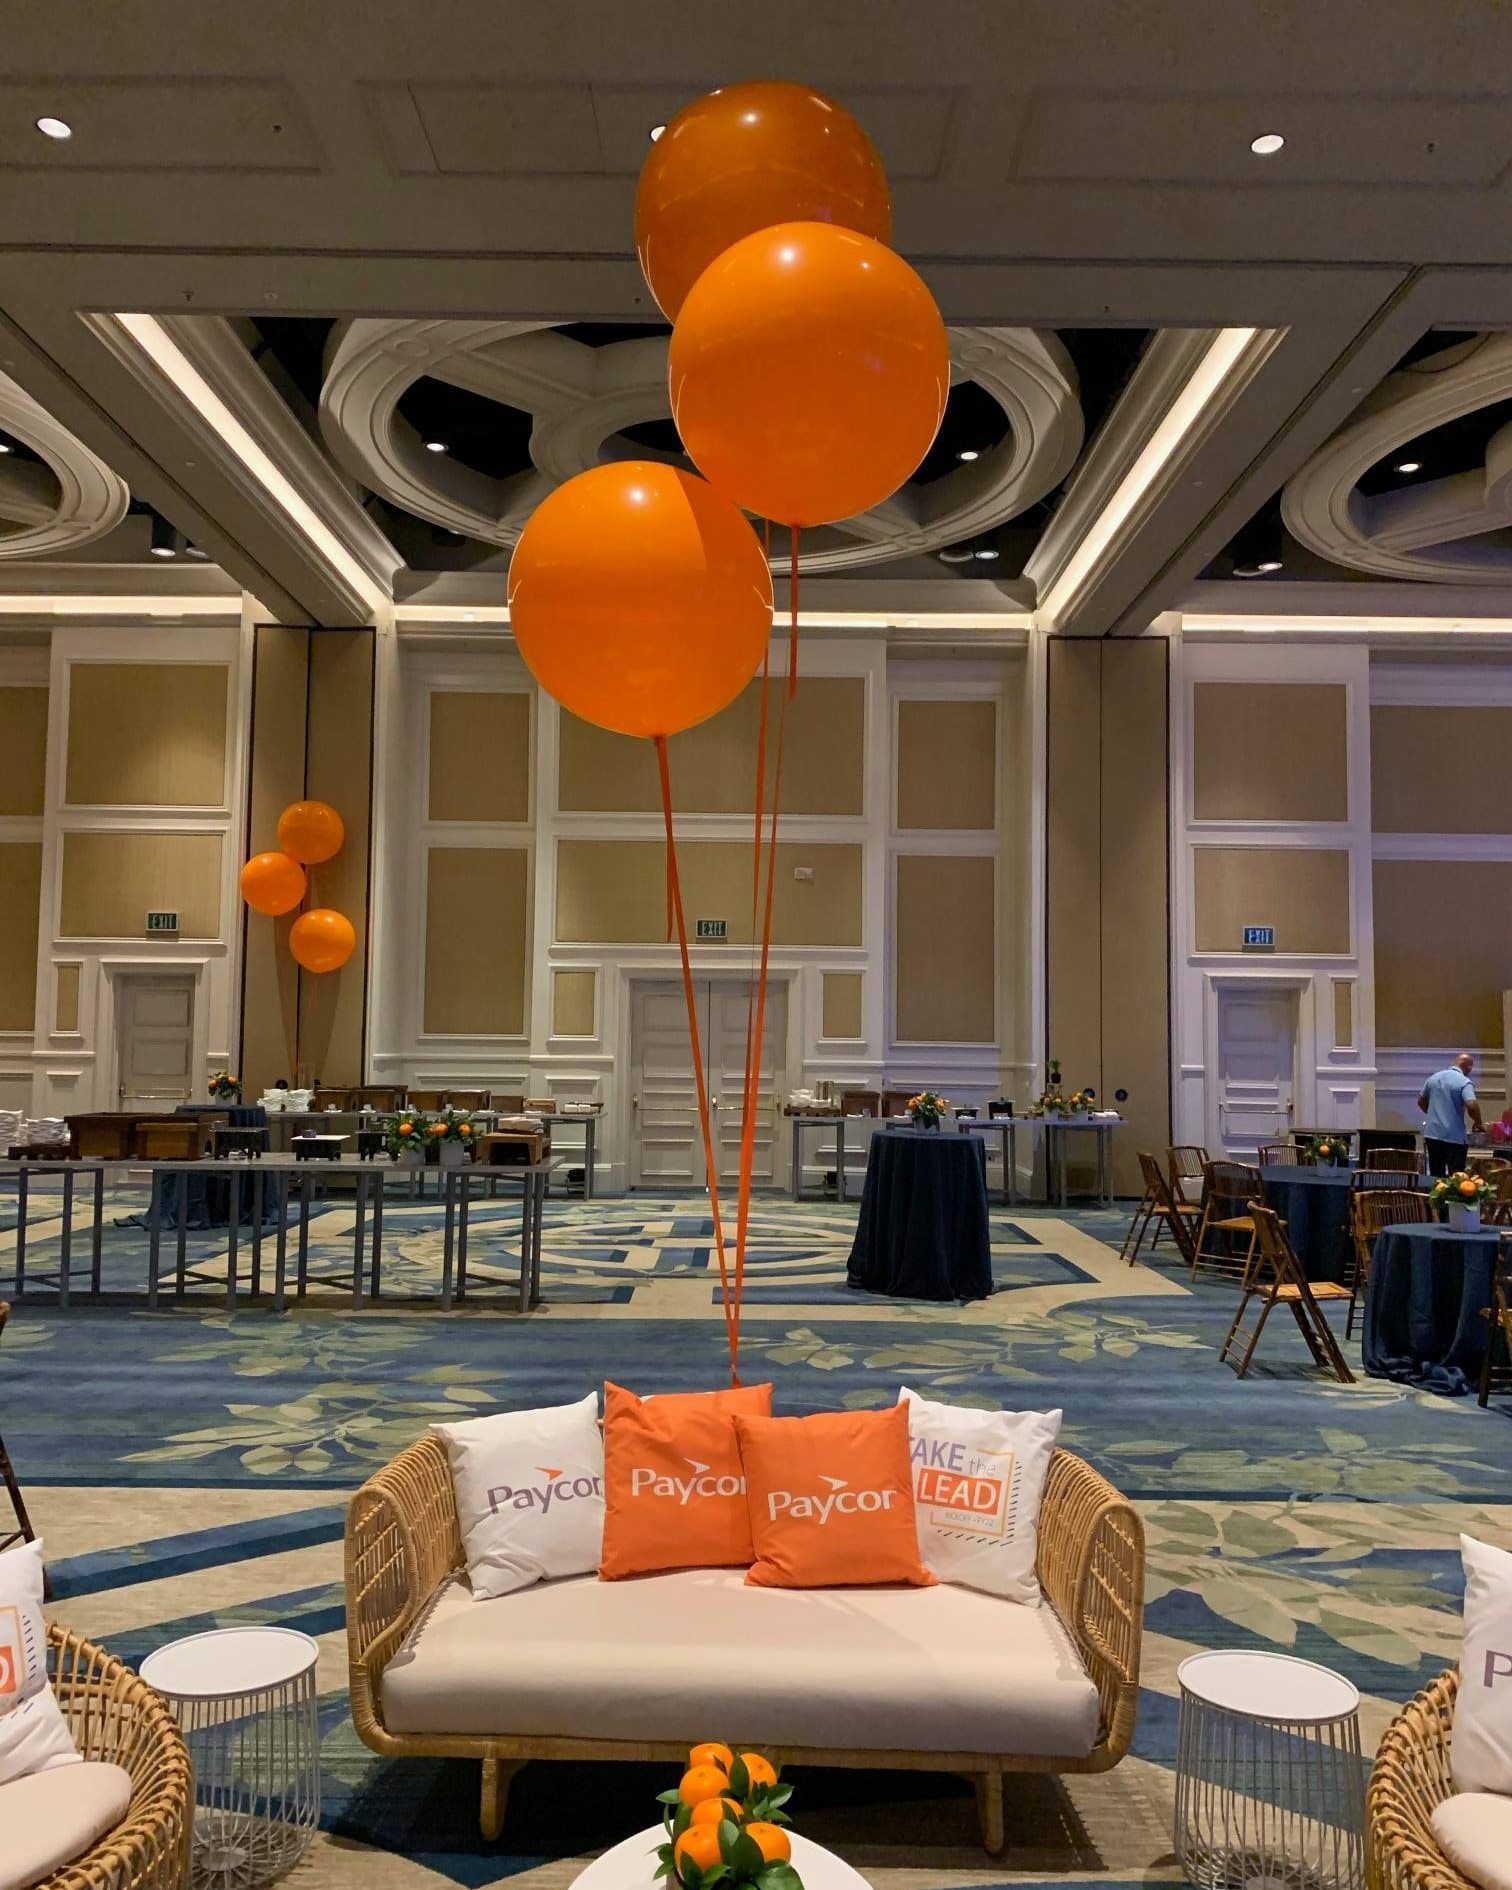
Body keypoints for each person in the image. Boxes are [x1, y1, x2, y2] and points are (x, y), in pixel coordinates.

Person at [1417, 1053, 1483, 1176]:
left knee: (1436, 1175)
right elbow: (1472, 1104)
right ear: (1468, 1067)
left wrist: (1432, 1114)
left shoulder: (1434, 1078)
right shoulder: (1464, 1082)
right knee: (1457, 1178)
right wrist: (1478, 1122)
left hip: (1432, 1135)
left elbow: (1420, 1101)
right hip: (1454, 1137)